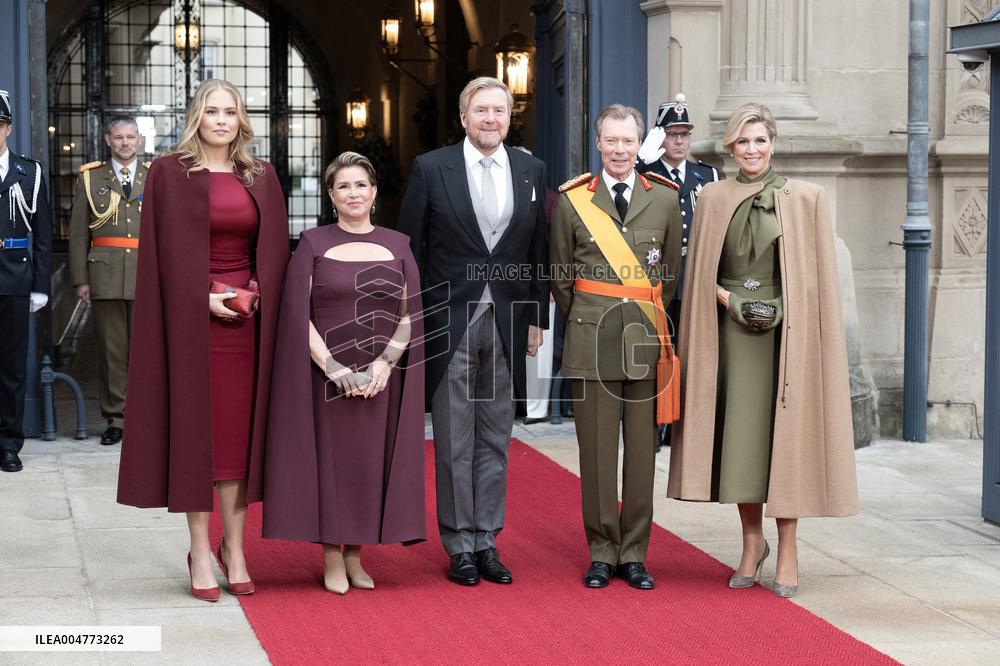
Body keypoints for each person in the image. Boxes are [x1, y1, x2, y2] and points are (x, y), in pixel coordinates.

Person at [667, 102, 858, 598]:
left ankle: (788, 547)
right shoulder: (711, 198)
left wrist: (776, 309)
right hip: (730, 337)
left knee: (784, 441)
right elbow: (700, 273)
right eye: (742, 141)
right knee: (742, 441)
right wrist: (729, 301)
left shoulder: (807, 198)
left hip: (786, 336)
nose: (751, 150)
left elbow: (816, 281)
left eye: (759, 140)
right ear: (730, 147)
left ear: (773, 143)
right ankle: (752, 542)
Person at [116, 80, 289, 602]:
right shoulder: (169, 173)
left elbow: (274, 252)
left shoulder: (261, 175)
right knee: (197, 439)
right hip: (191, 326)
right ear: (197, 116)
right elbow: (159, 255)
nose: (221, 120)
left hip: (248, 326)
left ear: (241, 120)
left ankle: (234, 549)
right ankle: (198, 549)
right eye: (212, 111)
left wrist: (255, 290)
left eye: (230, 112)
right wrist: (201, 297)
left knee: (238, 442)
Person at [398, 76, 549, 586]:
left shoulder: (531, 170)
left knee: (496, 438)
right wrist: (413, 317)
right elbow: (409, 248)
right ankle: (460, 543)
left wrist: (536, 317)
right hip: (448, 320)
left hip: (507, 320)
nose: (490, 119)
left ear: (509, 117)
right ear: (463, 117)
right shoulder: (431, 167)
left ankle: (488, 540)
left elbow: (538, 250)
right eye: (481, 110)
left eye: (498, 110)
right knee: (454, 439)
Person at [262, 151, 426, 594]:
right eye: (343, 187)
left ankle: (355, 555)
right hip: (326, 376)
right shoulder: (312, 243)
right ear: (331, 196)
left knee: (367, 465)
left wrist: (385, 364)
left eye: (361, 185)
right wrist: (333, 367)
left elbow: (410, 313)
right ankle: (331, 557)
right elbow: (296, 314)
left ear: (374, 192)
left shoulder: (399, 244)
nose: (353, 193)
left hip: (379, 376)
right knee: (329, 465)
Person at [550, 104, 683, 590]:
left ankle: (635, 554)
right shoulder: (572, 201)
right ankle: (603, 551)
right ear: (598, 143)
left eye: (628, 141)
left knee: (643, 453)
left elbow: (668, 276)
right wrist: (590, 319)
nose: (620, 150)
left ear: (639, 143)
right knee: (598, 455)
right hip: (591, 342)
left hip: (644, 340)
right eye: (612, 140)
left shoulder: (664, 199)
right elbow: (561, 277)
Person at [638, 93, 722, 447]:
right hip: (658, 274)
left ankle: (683, 424)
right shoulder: (646, 173)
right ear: (660, 137)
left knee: (690, 350)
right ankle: (658, 420)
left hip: (695, 273)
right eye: (672, 134)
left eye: (685, 134)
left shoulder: (708, 175)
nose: (679, 141)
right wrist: (640, 162)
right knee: (659, 350)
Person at [69, 116, 149, 446]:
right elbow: (78, 233)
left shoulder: (155, 176)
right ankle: (116, 419)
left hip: (146, 275)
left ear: (139, 139)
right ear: (108, 140)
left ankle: (146, 419)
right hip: (105, 275)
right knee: (112, 352)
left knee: (146, 353)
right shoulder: (91, 178)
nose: (125, 143)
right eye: (119, 137)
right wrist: (80, 279)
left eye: (130, 137)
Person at [0, 89, 51, 474]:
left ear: (9, 128)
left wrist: (40, 285)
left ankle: (8, 444)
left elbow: (44, 234)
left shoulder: (29, 173)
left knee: (12, 368)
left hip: (15, 277)